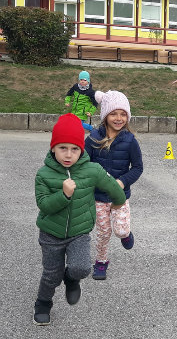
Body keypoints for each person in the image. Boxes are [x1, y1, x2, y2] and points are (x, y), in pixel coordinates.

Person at [33, 113, 126, 326]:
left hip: (79, 232)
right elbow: (44, 205)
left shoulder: (91, 170)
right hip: (51, 234)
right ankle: (43, 303)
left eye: (74, 149)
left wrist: (118, 201)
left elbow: (113, 187)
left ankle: (71, 278)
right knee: (51, 275)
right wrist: (64, 195)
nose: (68, 154)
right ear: (53, 148)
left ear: (81, 150)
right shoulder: (44, 174)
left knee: (82, 268)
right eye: (62, 148)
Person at [85, 91, 144, 281]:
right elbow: (83, 165)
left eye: (123, 114)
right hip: (98, 197)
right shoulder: (93, 139)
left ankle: (126, 234)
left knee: (120, 230)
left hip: (119, 196)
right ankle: (101, 262)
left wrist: (122, 181)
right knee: (103, 232)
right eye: (113, 114)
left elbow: (137, 167)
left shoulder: (130, 141)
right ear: (105, 116)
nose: (119, 118)